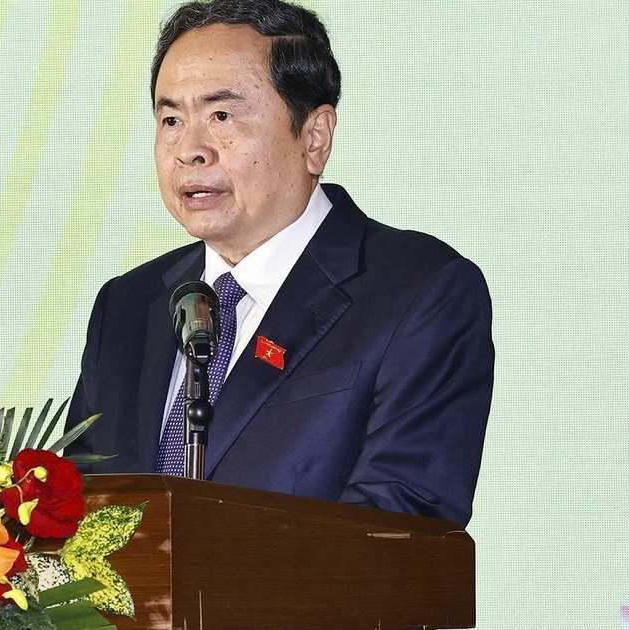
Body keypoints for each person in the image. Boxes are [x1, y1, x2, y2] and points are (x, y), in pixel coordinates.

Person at [64, 0, 494, 526]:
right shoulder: (128, 304)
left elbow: (402, 524)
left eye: (221, 116)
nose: (189, 150)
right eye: (171, 119)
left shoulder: (417, 290)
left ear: (315, 137)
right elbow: (74, 511)